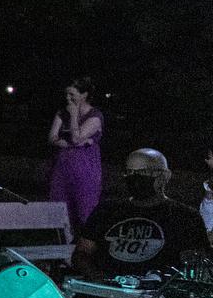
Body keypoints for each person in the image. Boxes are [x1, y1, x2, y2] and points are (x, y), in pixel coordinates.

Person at [72, 148, 210, 280]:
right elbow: (82, 252)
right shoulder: (107, 210)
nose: (135, 178)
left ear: (165, 176)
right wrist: (97, 278)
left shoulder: (185, 217)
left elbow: (197, 262)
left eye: (144, 172)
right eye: (129, 172)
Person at [45, 77, 104, 225]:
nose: (68, 98)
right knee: (59, 206)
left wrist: (73, 115)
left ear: (84, 95)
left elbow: (76, 138)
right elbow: (52, 137)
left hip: (85, 166)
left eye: (72, 94)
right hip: (63, 165)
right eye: (66, 94)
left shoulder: (95, 116)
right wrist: (64, 143)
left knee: (85, 206)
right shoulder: (61, 112)